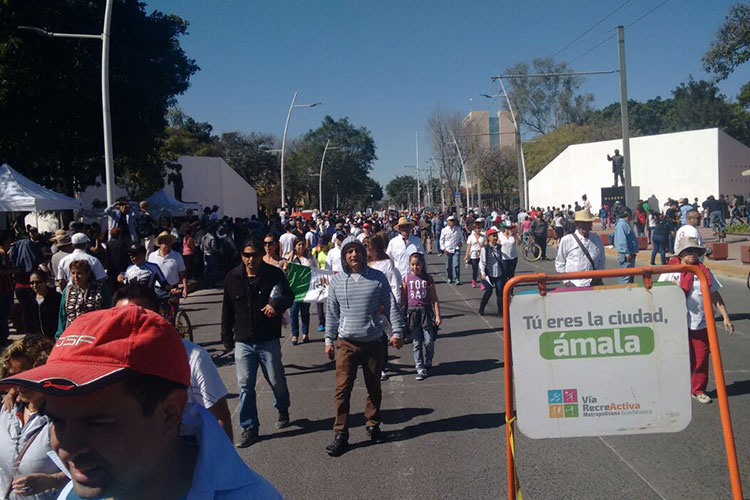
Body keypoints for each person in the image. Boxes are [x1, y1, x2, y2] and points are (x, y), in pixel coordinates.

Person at [0, 306, 282, 499]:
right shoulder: (73, 494)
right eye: (56, 421)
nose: (66, 448)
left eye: (97, 422)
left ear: (169, 413)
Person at [113, 284, 233, 439]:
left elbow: (219, 417)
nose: (131, 323)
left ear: (159, 315)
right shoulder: (108, 363)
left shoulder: (192, 357)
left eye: (141, 315)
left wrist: (223, 453)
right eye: (122, 317)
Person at [324, 236, 405, 457]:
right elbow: (331, 314)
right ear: (344, 255)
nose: (353, 255)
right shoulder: (337, 281)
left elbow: (391, 305)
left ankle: (373, 425)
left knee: (374, 387)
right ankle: (340, 434)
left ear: (363, 252)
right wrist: (329, 340)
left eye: (357, 250)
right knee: (342, 389)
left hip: (373, 342)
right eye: (349, 251)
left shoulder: (377, 278)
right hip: (346, 343)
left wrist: (397, 332)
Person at [221, 236, 294, 448]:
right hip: (243, 341)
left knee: (276, 380)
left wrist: (276, 306)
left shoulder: (274, 275)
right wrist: (227, 338)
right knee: (245, 385)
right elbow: (227, 310)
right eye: (247, 255)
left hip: (267, 339)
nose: (250, 259)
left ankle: (282, 407)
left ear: (261, 255)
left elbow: (289, 296)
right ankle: (249, 427)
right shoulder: (232, 278)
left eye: (254, 255)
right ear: (241, 256)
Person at [658, 237, 734, 404]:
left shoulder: (703, 272)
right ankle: (675, 387)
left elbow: (715, 295)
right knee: (676, 357)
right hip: (675, 324)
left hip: (699, 323)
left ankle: (698, 389)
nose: (692, 254)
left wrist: (725, 317)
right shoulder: (670, 270)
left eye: (695, 251)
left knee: (700, 358)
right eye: (688, 251)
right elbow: (658, 293)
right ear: (680, 254)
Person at [0, 335, 67, 500]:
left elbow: (88, 472)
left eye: (27, 375)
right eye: (14, 376)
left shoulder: (63, 418)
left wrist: (53, 481)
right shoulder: (8, 410)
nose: (19, 384)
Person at [365, 234, 402, 382]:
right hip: (367, 306)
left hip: (382, 305)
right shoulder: (364, 264)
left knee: (380, 338)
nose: (366, 249)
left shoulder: (386, 263)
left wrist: (395, 304)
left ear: (376, 248)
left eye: (368, 246)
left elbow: (394, 284)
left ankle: (381, 366)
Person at [401, 252, 441, 381]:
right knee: (416, 342)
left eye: (417, 264)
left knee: (429, 341)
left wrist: (437, 315)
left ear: (422, 264)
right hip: (412, 314)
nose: (415, 267)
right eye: (412, 264)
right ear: (409, 265)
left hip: (426, 313)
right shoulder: (406, 279)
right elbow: (403, 300)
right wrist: (399, 315)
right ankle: (420, 368)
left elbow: (434, 299)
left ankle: (428, 360)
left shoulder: (427, 279)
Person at [56, 260, 111, 338]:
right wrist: (59, 336)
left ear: (87, 273)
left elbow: (108, 312)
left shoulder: (100, 289)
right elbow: (62, 315)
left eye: (79, 273)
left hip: (94, 334)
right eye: (73, 273)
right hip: (71, 335)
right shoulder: (67, 291)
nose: (75, 276)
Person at [555, 209, 606, 287]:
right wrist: (566, 281)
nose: (586, 226)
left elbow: (601, 260)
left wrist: (598, 276)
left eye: (588, 223)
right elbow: (560, 263)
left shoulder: (596, 239)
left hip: (593, 283)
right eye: (583, 223)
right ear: (577, 224)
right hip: (574, 284)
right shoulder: (566, 240)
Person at [288, 239, 316, 344]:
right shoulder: (291, 258)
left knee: (305, 312)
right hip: (294, 290)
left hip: (306, 289)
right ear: (295, 246)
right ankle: (295, 334)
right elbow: (286, 269)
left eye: (302, 244)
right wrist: (291, 258)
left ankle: (305, 333)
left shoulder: (309, 258)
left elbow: (315, 269)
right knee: (293, 312)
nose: (300, 246)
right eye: (298, 244)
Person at [20, 269, 61, 339]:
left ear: (45, 282)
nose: (34, 285)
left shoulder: (56, 297)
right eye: (32, 283)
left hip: (54, 338)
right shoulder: (28, 299)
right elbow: (27, 321)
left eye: (38, 282)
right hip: (36, 340)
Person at [148, 231, 188, 299]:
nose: (167, 244)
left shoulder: (177, 255)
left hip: (174, 289)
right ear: (160, 243)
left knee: (173, 305)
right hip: (158, 289)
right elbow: (149, 274)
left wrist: (185, 288)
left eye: (169, 242)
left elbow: (182, 273)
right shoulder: (152, 256)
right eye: (165, 242)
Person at [386, 217, 425, 281]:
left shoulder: (417, 241)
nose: (405, 229)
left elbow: (423, 258)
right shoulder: (393, 242)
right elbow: (388, 260)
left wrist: (424, 274)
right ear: (399, 229)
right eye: (402, 227)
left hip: (415, 278)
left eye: (407, 226)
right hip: (399, 278)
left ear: (410, 228)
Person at [478, 228, 504, 316]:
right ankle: (482, 308)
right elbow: (482, 262)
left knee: (500, 293)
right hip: (488, 274)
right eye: (493, 236)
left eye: (496, 236)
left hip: (499, 273)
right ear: (488, 237)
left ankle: (501, 311)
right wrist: (483, 273)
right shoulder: (485, 249)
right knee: (488, 291)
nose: (495, 238)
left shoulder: (500, 247)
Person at [613, 207, 639, 284]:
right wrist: (626, 253)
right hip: (626, 255)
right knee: (625, 278)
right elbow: (622, 240)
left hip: (630, 254)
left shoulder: (626, 224)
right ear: (627, 214)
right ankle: (623, 291)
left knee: (630, 277)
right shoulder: (621, 225)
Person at [312, 234, 331, 333]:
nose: (321, 246)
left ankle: (332, 322)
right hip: (319, 277)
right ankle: (321, 322)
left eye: (322, 245)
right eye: (319, 244)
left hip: (330, 277)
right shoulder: (316, 251)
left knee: (331, 301)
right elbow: (311, 259)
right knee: (319, 301)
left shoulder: (331, 251)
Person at [0, 232, 15, 346]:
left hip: (5, 289)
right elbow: (2, 270)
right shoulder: (1, 253)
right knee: (3, 314)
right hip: (4, 289)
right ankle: (3, 338)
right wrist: (14, 271)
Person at [439, 216, 464, 285]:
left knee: (456, 264)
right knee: (448, 265)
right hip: (447, 249)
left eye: (453, 221)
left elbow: (461, 237)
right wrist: (443, 248)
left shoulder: (457, 229)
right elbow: (441, 240)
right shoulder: (444, 230)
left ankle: (457, 279)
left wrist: (461, 242)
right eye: (451, 221)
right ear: (447, 222)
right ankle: (449, 278)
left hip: (456, 248)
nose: (452, 222)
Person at [465, 220, 485, 289]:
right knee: (475, 269)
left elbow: (486, 245)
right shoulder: (471, 237)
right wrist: (467, 255)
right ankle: (474, 280)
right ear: (474, 229)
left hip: (482, 254)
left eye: (480, 228)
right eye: (478, 228)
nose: (479, 230)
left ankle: (482, 283)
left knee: (482, 269)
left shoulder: (483, 236)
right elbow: (469, 246)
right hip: (474, 254)